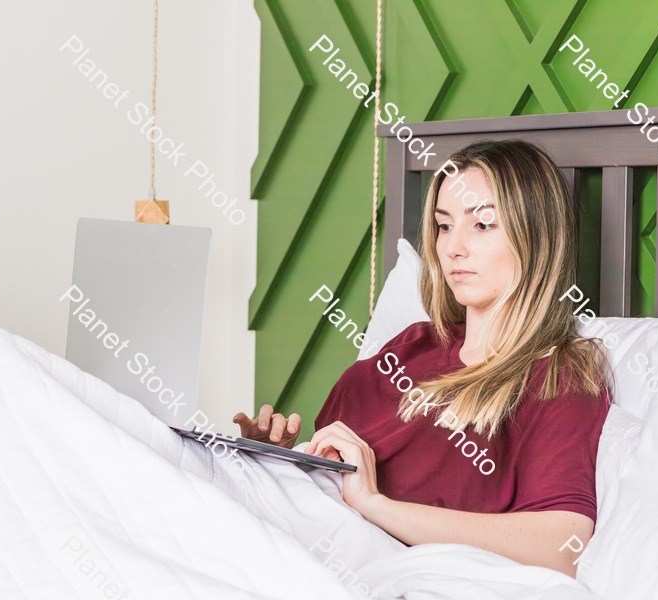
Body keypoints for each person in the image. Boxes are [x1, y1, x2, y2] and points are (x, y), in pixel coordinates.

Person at [233, 140, 611, 577]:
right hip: (278, 523)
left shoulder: (557, 377)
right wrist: (272, 457)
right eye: (443, 226)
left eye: (483, 224)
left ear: (538, 236)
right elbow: (330, 468)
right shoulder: (409, 346)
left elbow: (560, 547)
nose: (452, 248)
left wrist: (375, 504)